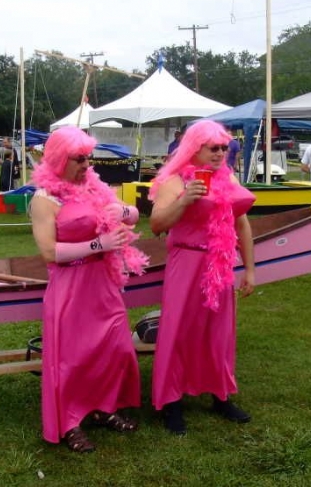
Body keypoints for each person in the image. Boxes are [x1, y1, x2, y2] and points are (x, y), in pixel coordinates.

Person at [29, 126, 148, 453]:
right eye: (78, 159)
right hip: (71, 286)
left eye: (87, 158)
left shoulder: (95, 187)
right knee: (72, 358)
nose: (86, 165)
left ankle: (103, 408)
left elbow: (135, 216)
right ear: (58, 159)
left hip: (103, 283)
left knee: (113, 349)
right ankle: (69, 423)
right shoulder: (44, 200)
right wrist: (100, 243)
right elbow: (50, 253)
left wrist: (122, 211)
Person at [149, 119, 256, 435]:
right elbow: (156, 224)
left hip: (220, 262)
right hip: (187, 260)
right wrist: (184, 200)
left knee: (218, 331)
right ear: (195, 149)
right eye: (214, 148)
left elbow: (242, 225)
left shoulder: (227, 178)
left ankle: (220, 395)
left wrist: (249, 269)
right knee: (178, 329)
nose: (221, 153)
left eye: (224, 147)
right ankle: (171, 402)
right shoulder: (174, 181)